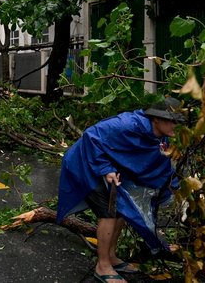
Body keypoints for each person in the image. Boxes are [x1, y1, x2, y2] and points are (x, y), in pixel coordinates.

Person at [56, 97, 186, 283]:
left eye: (178, 121)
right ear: (156, 119)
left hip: (109, 168)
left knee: (122, 211)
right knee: (109, 212)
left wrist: (175, 188)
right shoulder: (127, 125)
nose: (176, 125)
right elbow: (91, 137)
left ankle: (110, 256)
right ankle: (102, 266)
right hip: (85, 164)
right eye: (172, 120)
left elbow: (161, 164)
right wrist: (106, 168)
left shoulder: (160, 138)